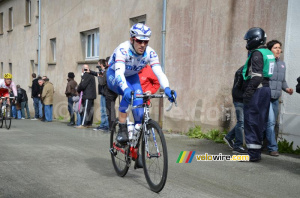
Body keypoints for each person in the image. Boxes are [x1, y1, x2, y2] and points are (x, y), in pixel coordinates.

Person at [106, 23, 177, 146]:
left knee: (139, 108)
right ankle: (122, 129)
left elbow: (159, 72)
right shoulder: (123, 49)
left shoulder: (150, 53)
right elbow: (119, 73)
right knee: (127, 94)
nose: (142, 45)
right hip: (114, 74)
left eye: (146, 41)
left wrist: (166, 88)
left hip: (133, 77)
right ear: (132, 40)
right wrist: (126, 89)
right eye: (139, 41)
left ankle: (136, 148)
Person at [242, 27, 275, 162]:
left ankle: (253, 154)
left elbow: (256, 76)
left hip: (257, 90)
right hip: (266, 89)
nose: (248, 42)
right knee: (260, 121)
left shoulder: (256, 53)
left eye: (249, 39)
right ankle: (256, 151)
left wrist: (248, 93)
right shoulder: (268, 53)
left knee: (251, 121)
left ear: (255, 39)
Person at [264, 40, 293, 157]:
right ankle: (272, 148)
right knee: (270, 122)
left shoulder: (282, 64)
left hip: (276, 98)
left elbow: (282, 81)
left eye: (279, 47)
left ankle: (263, 144)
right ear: (270, 50)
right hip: (267, 97)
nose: (278, 50)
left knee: (271, 123)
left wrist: (287, 89)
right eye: (275, 47)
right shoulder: (267, 62)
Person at [223, 66, 247, 154]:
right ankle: (238, 146)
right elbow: (237, 88)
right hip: (239, 100)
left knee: (242, 122)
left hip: (245, 99)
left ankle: (229, 137)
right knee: (241, 122)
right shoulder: (242, 71)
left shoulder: (251, 70)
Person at [90, 59, 109, 131]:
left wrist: (99, 75)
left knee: (105, 110)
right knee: (102, 110)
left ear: (101, 64)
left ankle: (106, 125)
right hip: (102, 93)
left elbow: (102, 82)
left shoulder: (106, 71)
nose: (98, 66)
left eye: (98, 64)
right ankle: (103, 124)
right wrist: (91, 72)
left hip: (105, 93)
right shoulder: (102, 71)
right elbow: (97, 74)